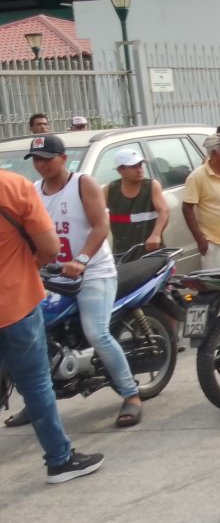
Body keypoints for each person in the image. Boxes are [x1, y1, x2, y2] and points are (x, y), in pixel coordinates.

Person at [25, 134, 143, 427]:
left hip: (93, 273)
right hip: (52, 276)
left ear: (63, 158)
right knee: (29, 334)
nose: (41, 165)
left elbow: (101, 225)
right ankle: (38, 400)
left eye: (47, 158)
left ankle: (131, 394)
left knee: (97, 333)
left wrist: (82, 260)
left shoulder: (83, 184)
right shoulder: (33, 190)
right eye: (36, 159)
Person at [0, 168, 104, 483]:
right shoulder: (13, 186)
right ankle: (60, 460)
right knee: (35, 384)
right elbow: (48, 249)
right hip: (15, 302)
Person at [182, 134, 220, 270]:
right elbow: (187, 208)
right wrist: (200, 240)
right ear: (214, 153)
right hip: (215, 243)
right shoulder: (197, 177)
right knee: (219, 285)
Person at [103, 148, 169, 258]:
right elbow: (96, 216)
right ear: (121, 170)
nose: (139, 170)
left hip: (151, 251)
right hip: (122, 253)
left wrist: (156, 235)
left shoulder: (152, 186)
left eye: (140, 165)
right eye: (134, 166)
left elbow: (164, 211)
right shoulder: (109, 190)